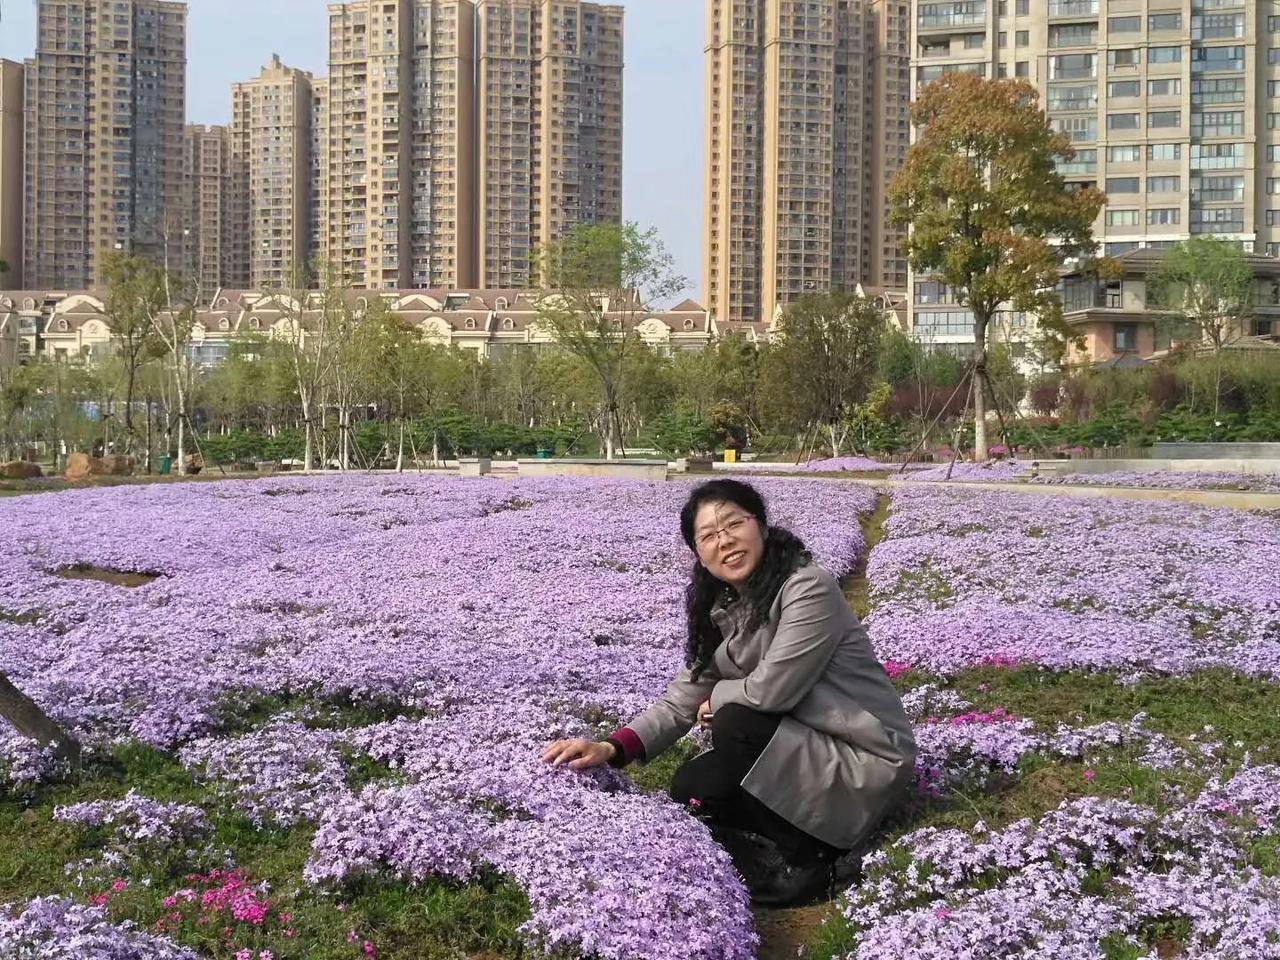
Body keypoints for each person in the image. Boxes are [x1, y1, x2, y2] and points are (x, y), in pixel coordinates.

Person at [541, 479, 916, 907]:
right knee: (694, 786)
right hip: (809, 747)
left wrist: (716, 701)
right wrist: (611, 747)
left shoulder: (807, 588)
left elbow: (772, 691)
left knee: (736, 721)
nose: (725, 541)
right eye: (708, 536)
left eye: (734, 523)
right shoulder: (725, 609)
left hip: (865, 758)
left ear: (760, 524)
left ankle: (815, 860)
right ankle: (801, 833)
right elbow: (680, 699)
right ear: (698, 554)